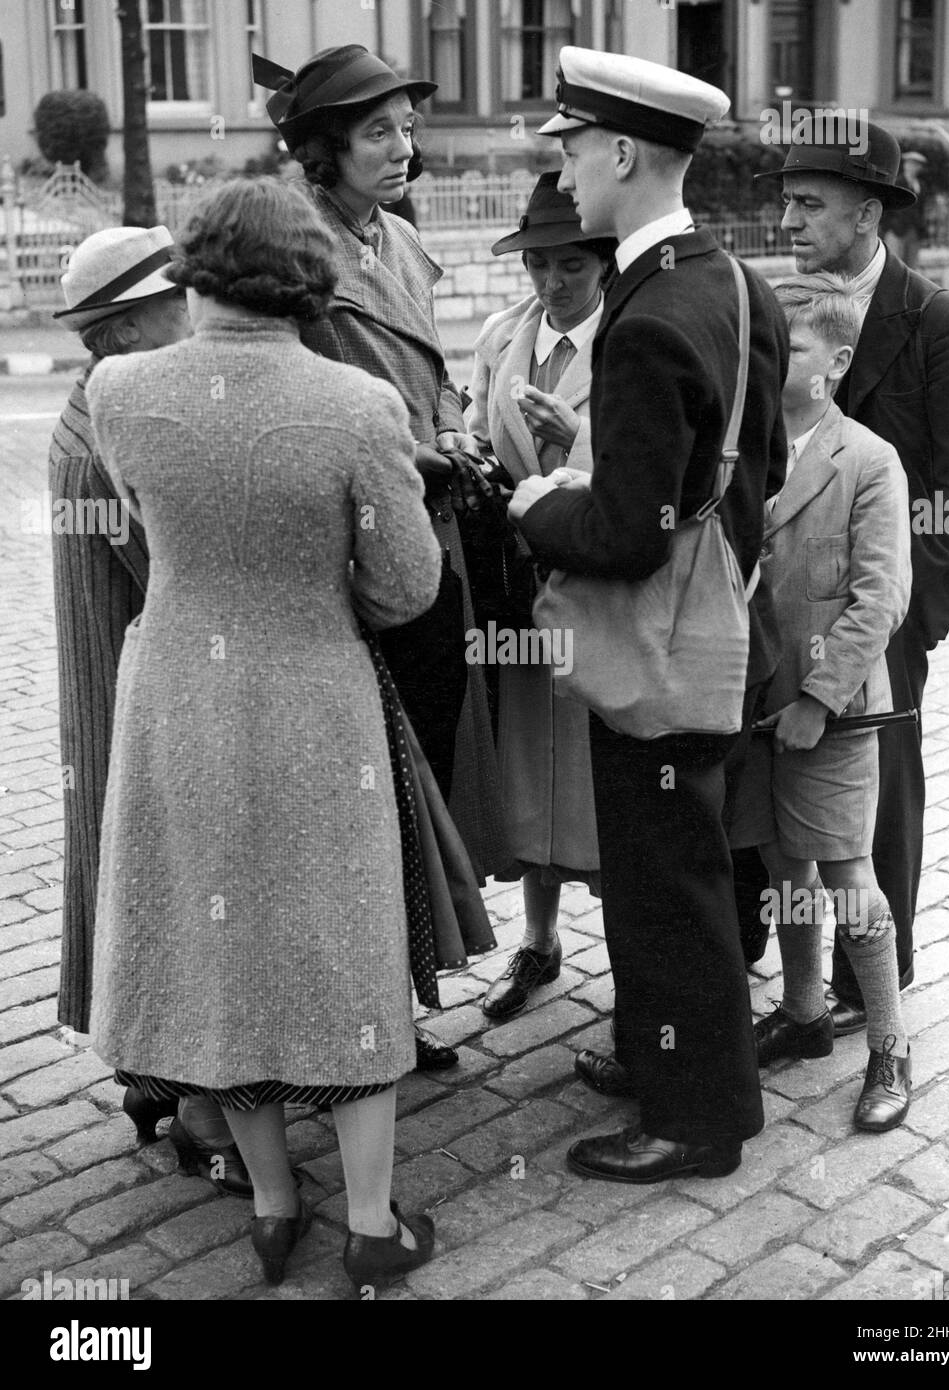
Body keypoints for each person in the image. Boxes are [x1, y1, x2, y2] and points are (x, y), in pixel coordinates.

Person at [85, 178, 443, 1292]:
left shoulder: (118, 387)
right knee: (343, 943)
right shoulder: (359, 406)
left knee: (219, 941)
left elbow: (144, 526)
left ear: (192, 272)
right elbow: (405, 586)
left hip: (179, 693)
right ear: (308, 279)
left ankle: (277, 1205)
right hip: (313, 698)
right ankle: (374, 1222)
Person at [510, 48, 788, 1183]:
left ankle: (694, 1120)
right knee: (686, 873)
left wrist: (538, 504)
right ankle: (664, 1057)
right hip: (718, 630)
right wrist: (612, 469)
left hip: (657, 656)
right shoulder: (728, 281)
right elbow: (730, 474)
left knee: (666, 893)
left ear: (623, 152)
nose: (566, 172)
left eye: (573, 148)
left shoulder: (645, 313)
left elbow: (626, 534)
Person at [758, 119, 949, 1036]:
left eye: (809, 203)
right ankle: (803, 990)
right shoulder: (783, 308)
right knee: (787, 815)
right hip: (783, 618)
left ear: (869, 214)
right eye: (785, 200)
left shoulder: (939, 321)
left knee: (878, 810)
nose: (788, 219)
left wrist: (906, 621)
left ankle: (875, 991)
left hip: (882, 619)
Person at [252, 43, 506, 893]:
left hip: (427, 525)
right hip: (344, 545)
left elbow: (433, 367)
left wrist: (454, 429)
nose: (402, 148)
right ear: (326, 147)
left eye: (407, 128)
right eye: (376, 132)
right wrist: (423, 455)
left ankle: (406, 978)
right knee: (363, 774)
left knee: (428, 752)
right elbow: (286, 400)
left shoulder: (398, 236)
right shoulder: (295, 244)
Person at [49, 225, 250, 1192]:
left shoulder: (91, 409)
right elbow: (177, 573)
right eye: (184, 302)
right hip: (147, 699)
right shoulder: (120, 427)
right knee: (177, 888)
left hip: (111, 689)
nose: (201, 316)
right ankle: (198, 1105)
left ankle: (157, 1078)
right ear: (132, 327)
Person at [730, 273, 913, 1132]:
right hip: (749, 705)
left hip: (830, 711)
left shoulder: (868, 460)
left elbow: (880, 600)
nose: (771, 360)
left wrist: (816, 698)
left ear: (836, 363)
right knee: (782, 867)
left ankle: (888, 1042)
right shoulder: (746, 450)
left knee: (847, 874)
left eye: (789, 347)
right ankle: (803, 1017)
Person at [466, 172, 615, 1019]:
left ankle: (634, 951)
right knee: (531, 765)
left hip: (598, 587)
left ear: (602, 264)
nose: (552, 284)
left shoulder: (631, 339)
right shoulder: (502, 335)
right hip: (522, 587)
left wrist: (578, 445)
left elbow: (651, 468)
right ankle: (539, 942)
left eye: (570, 267)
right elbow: (485, 436)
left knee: (596, 771)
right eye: (538, 266)